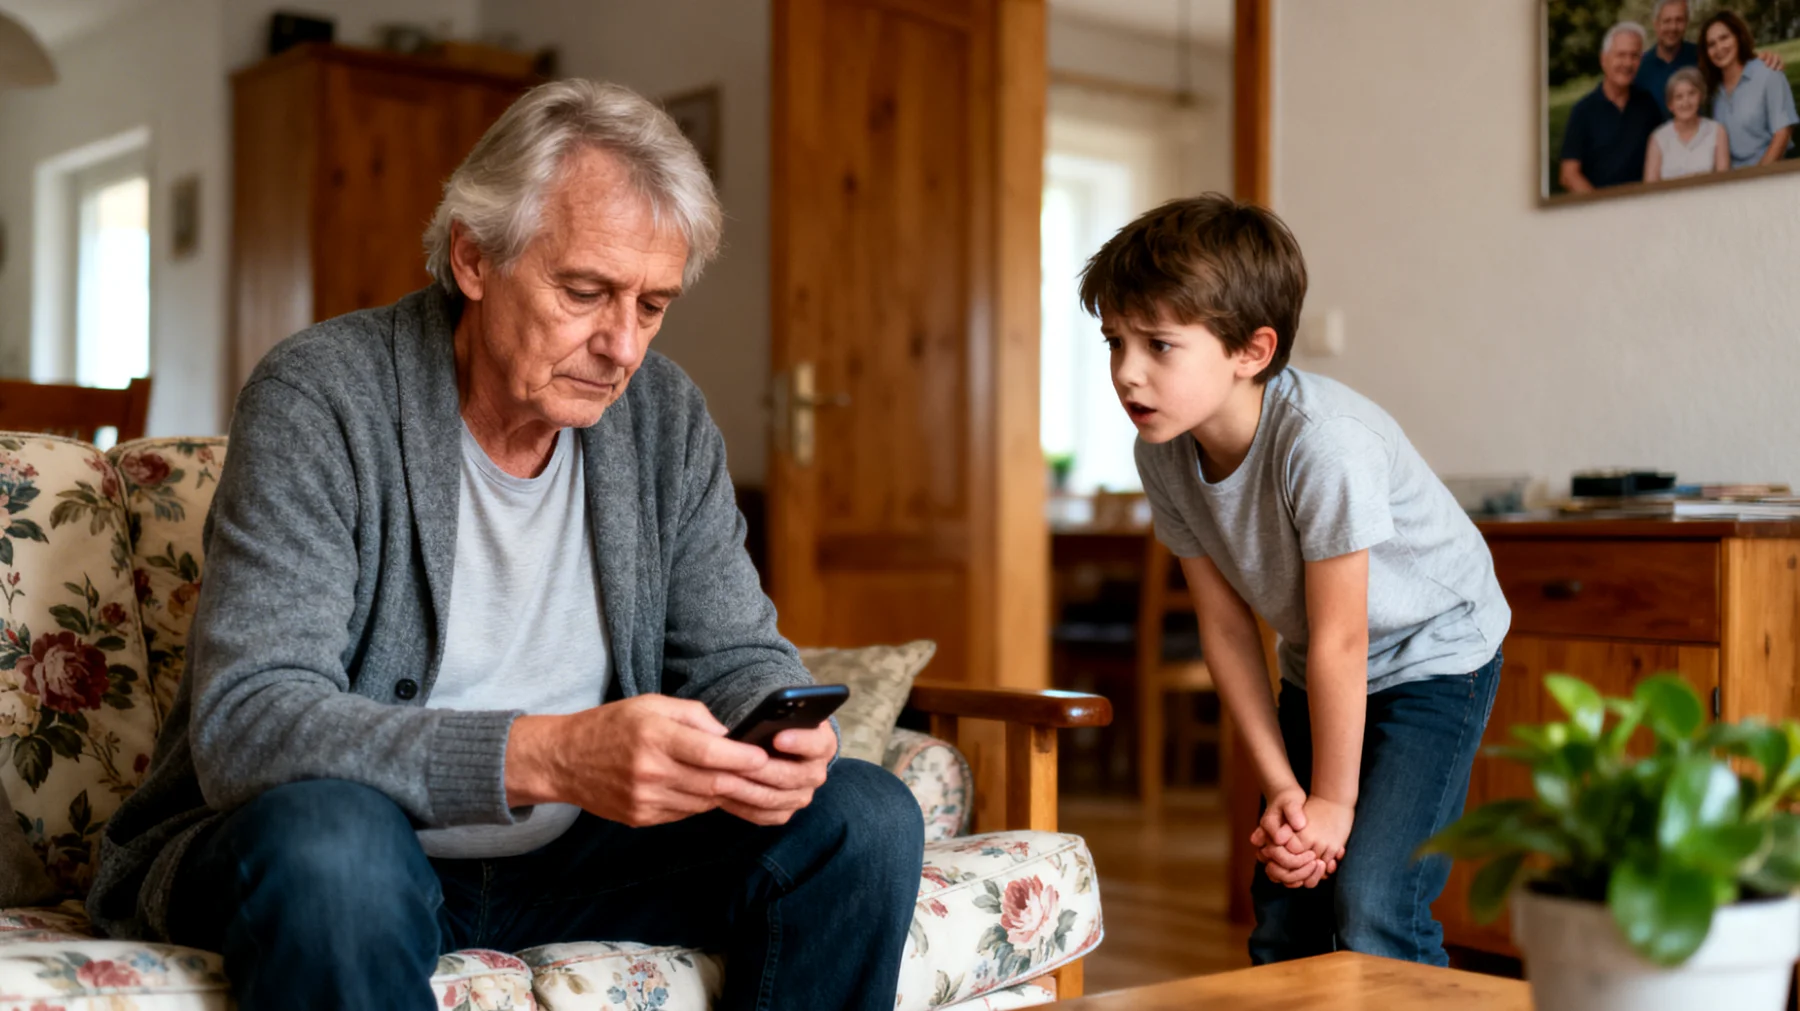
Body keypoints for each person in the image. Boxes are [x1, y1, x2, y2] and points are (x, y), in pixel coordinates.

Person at [87, 79, 925, 1011]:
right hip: (346, 849)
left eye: (652, 305)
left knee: (864, 817)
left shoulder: (663, 418)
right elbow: (251, 722)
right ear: (474, 257)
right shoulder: (321, 395)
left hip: (571, 853)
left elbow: (734, 653)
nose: (622, 346)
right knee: (338, 847)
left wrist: (779, 732)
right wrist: (553, 754)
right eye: (585, 291)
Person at [1079, 194, 1509, 966]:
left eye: (1159, 345)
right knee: (1285, 904)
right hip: (1319, 668)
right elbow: (1226, 626)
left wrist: (1333, 803)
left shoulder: (1323, 445)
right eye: (1114, 341)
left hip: (1434, 654)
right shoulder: (1162, 453)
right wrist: (1285, 787)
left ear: (1252, 348)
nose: (1126, 372)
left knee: (1374, 900)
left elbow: (1345, 636)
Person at [1560, 22, 1665, 191]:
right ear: (1604, 60)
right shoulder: (1583, 111)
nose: (1628, 63)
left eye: (1634, 56)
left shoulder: (1648, 103)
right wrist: (1601, 207)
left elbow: (1664, 153)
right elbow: (1568, 174)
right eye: (1621, 55)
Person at [1635, 0, 1784, 115]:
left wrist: (1761, 60)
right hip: (1659, 149)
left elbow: (1734, 63)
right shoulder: (1640, 68)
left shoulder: (1702, 55)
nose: (1673, 27)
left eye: (1679, 20)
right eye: (1667, 21)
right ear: (1656, 24)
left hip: (1704, 145)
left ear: (1686, 22)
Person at [1700, 9, 1799, 168]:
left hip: (1775, 172)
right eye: (1711, 44)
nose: (1719, 48)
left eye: (1724, 38)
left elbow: (1783, 133)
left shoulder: (1768, 73)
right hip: (1736, 181)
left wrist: (1757, 179)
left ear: (1738, 37)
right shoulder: (1712, 93)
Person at [1647, 67, 1729, 180]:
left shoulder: (1717, 131)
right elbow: (1650, 189)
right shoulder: (1658, 138)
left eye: (1692, 93)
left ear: (1700, 96)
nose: (1686, 101)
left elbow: (1724, 182)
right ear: (1670, 104)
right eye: (1679, 97)